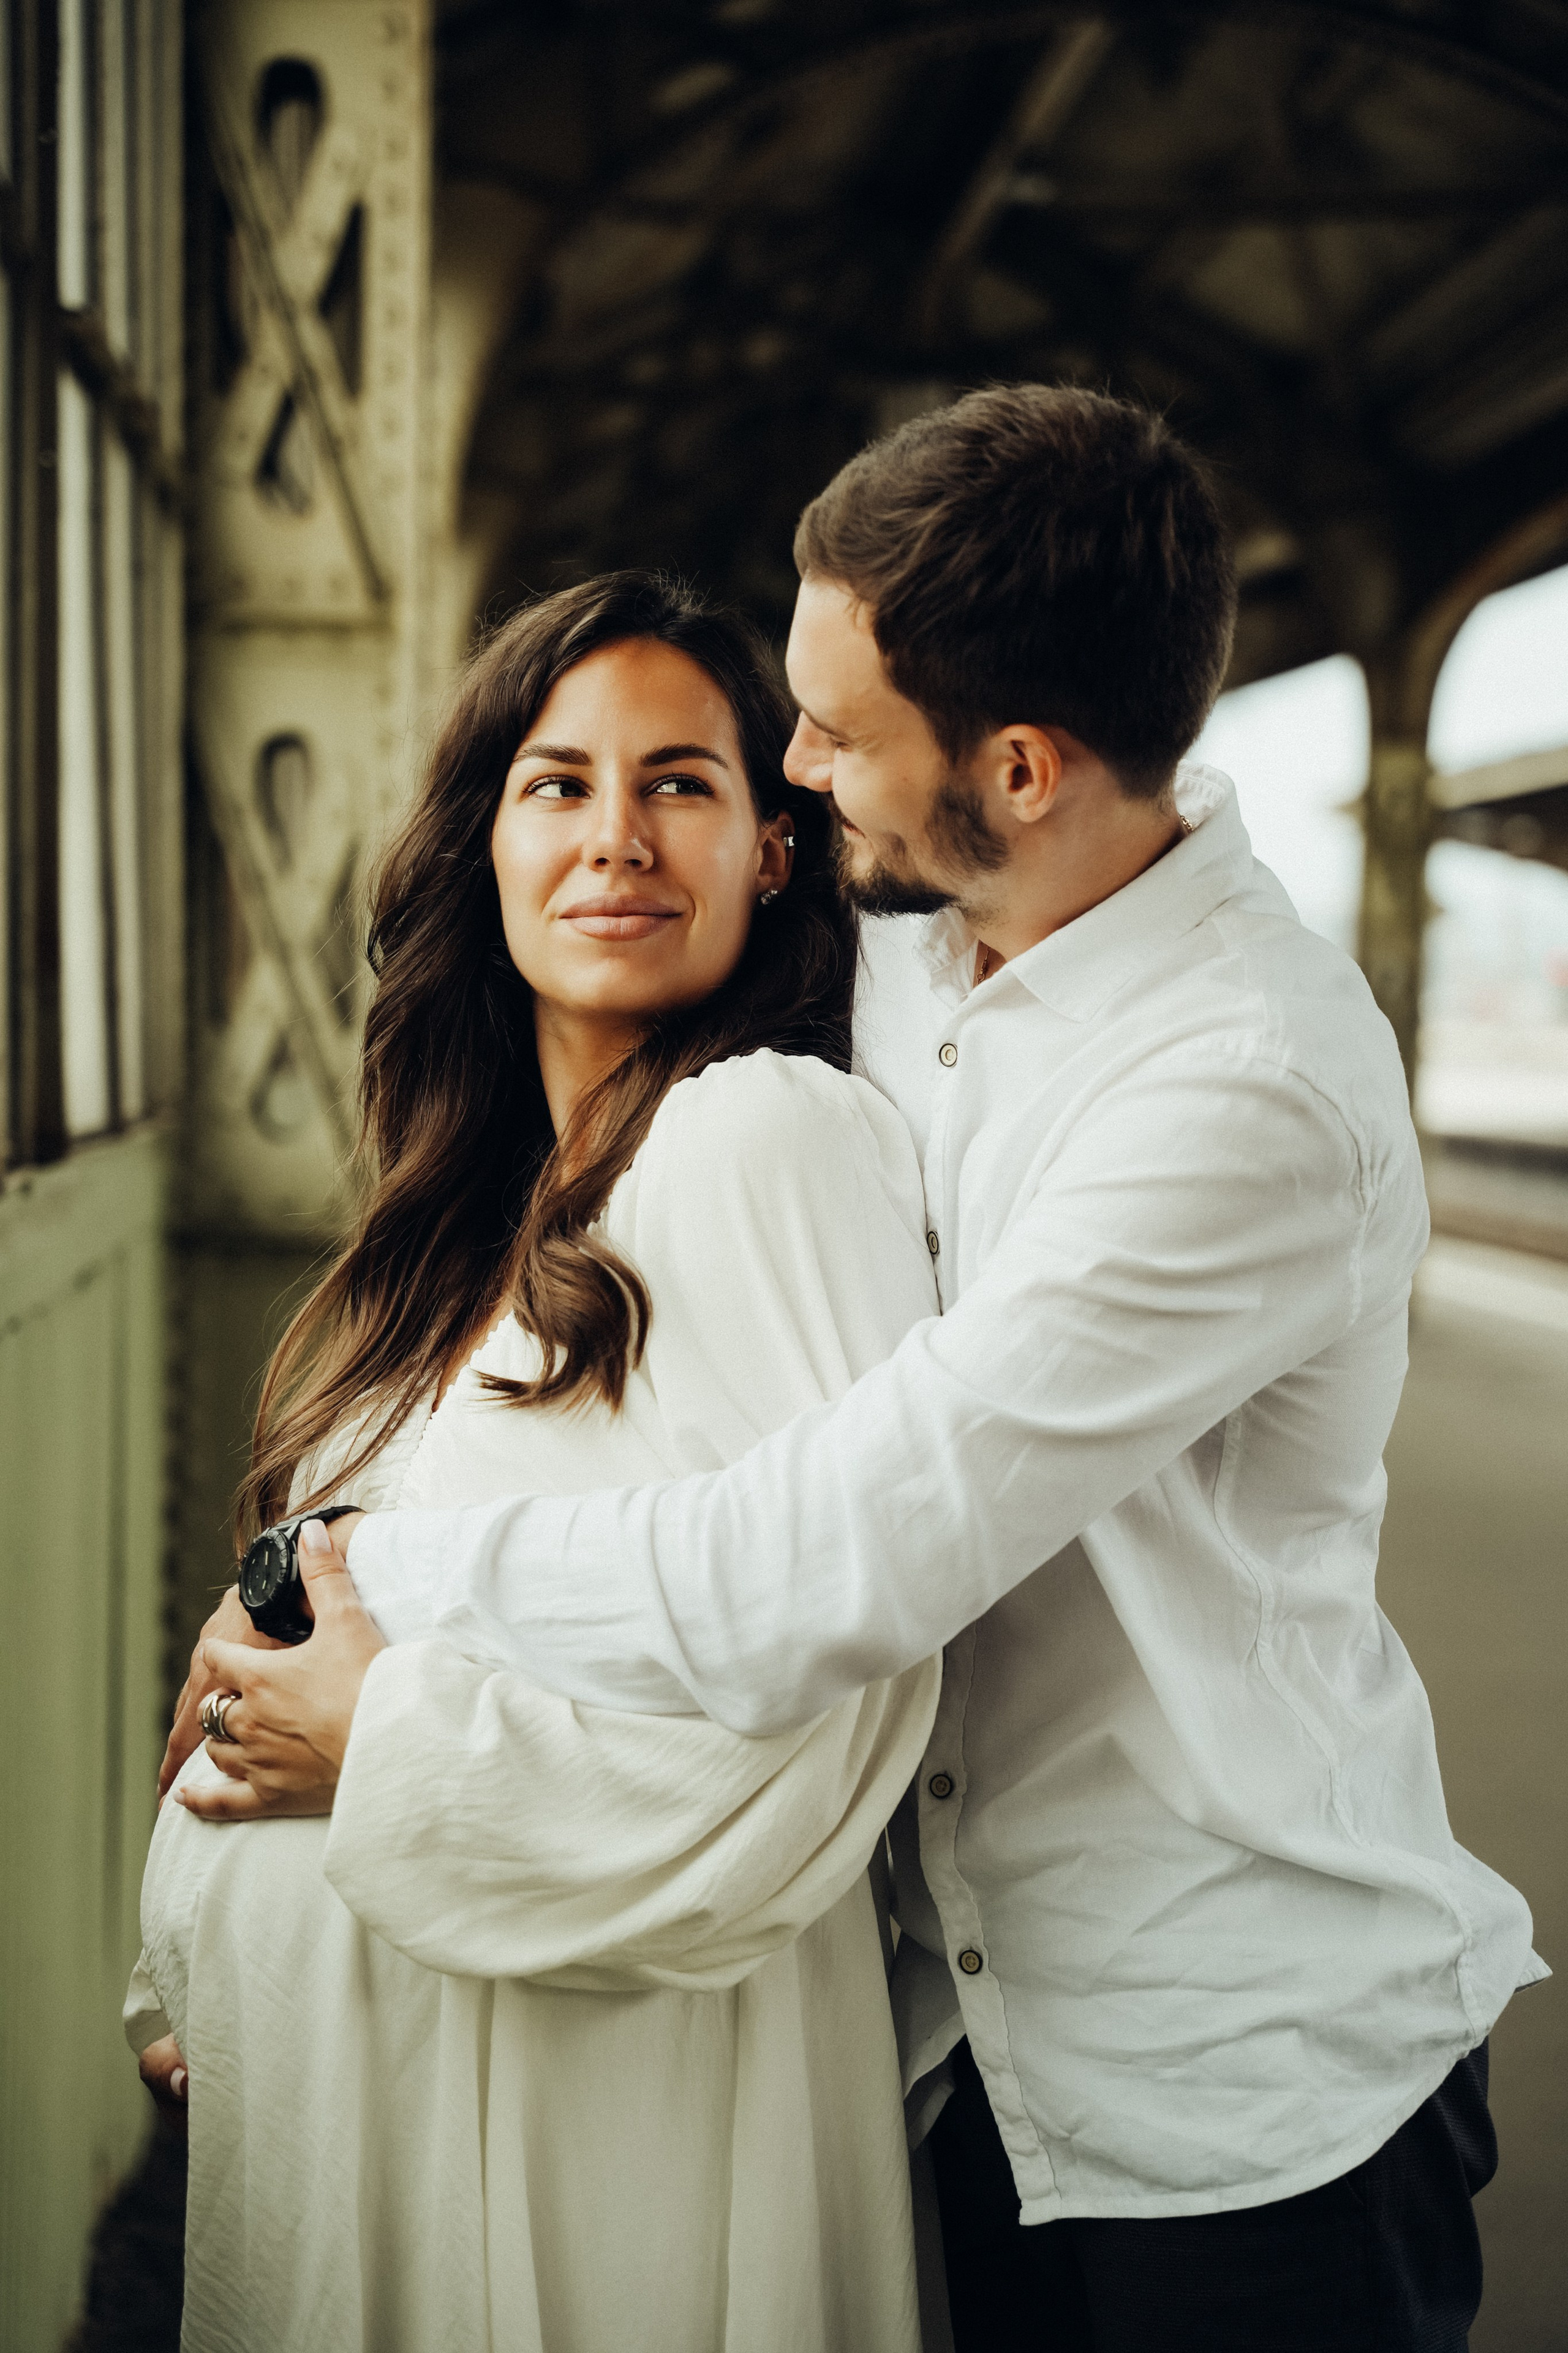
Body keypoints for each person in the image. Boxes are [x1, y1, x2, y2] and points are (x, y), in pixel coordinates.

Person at [168, 387, 1544, 2353]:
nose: (796, 775)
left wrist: (359, 1583)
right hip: (958, 2046)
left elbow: (831, 1556)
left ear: (1020, 767)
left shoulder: (1240, 1089)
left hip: (1233, 2092)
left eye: (831, 732)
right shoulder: (919, 938)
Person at [128, 572, 948, 2353]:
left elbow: (830, 1701)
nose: (615, 837)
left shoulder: (765, 1137)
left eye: (680, 783)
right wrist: (198, 1940)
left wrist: (382, 1739)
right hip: (404, 2118)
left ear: (776, 851)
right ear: (489, 843)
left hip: (615, 2130)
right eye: (559, 783)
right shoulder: (476, 1211)